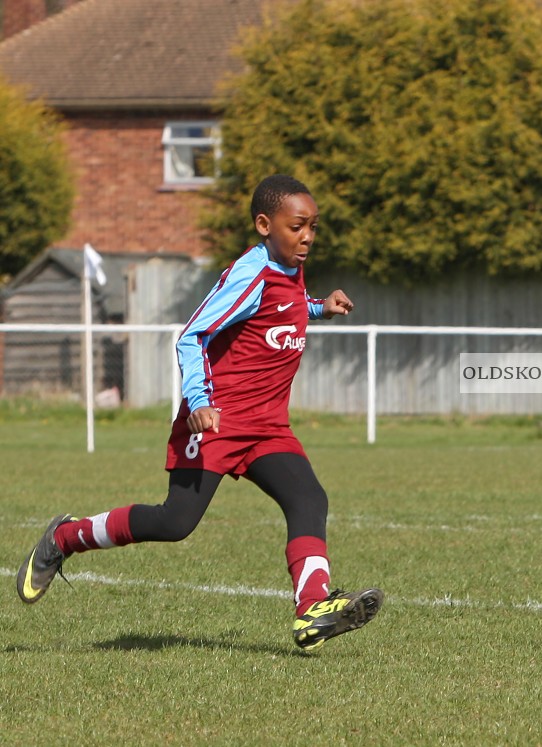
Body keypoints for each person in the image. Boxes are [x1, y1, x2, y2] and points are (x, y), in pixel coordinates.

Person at [16, 174, 383, 652]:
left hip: (267, 426)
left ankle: (312, 609)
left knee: (309, 500)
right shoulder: (250, 273)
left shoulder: (291, 267)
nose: (308, 235)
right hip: (217, 421)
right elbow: (192, 334)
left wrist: (318, 308)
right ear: (264, 225)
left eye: (314, 226)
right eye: (298, 226)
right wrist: (201, 400)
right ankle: (66, 537)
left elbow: (276, 313)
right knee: (175, 522)